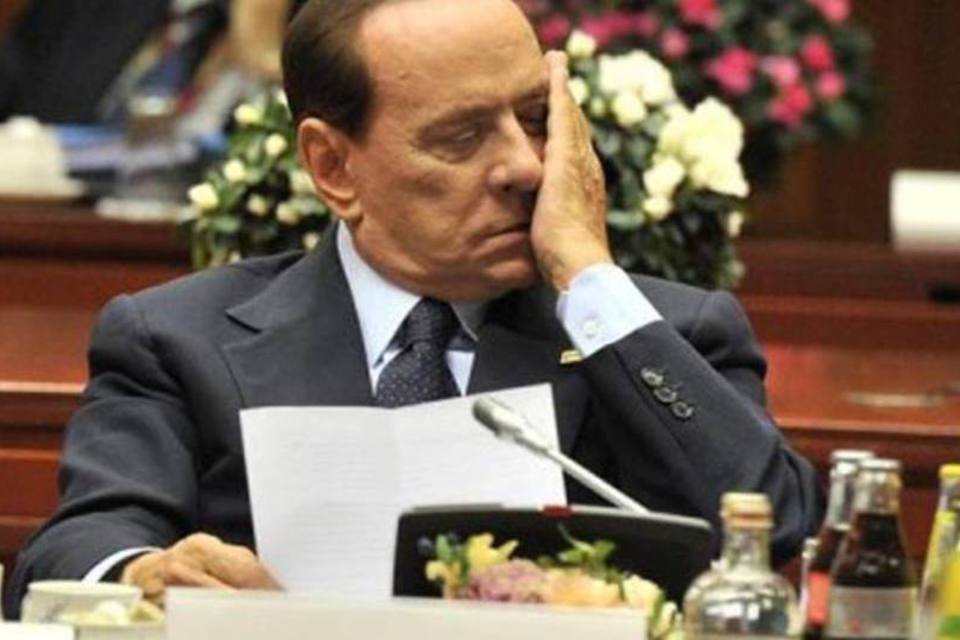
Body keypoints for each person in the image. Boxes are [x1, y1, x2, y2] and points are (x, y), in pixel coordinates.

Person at [6, 0, 823, 616]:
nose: (524, 167)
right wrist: (145, 575)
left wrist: (584, 274)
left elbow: (773, 526)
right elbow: (74, 550)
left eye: (535, 120)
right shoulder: (177, 339)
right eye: (462, 138)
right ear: (334, 167)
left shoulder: (660, 337)